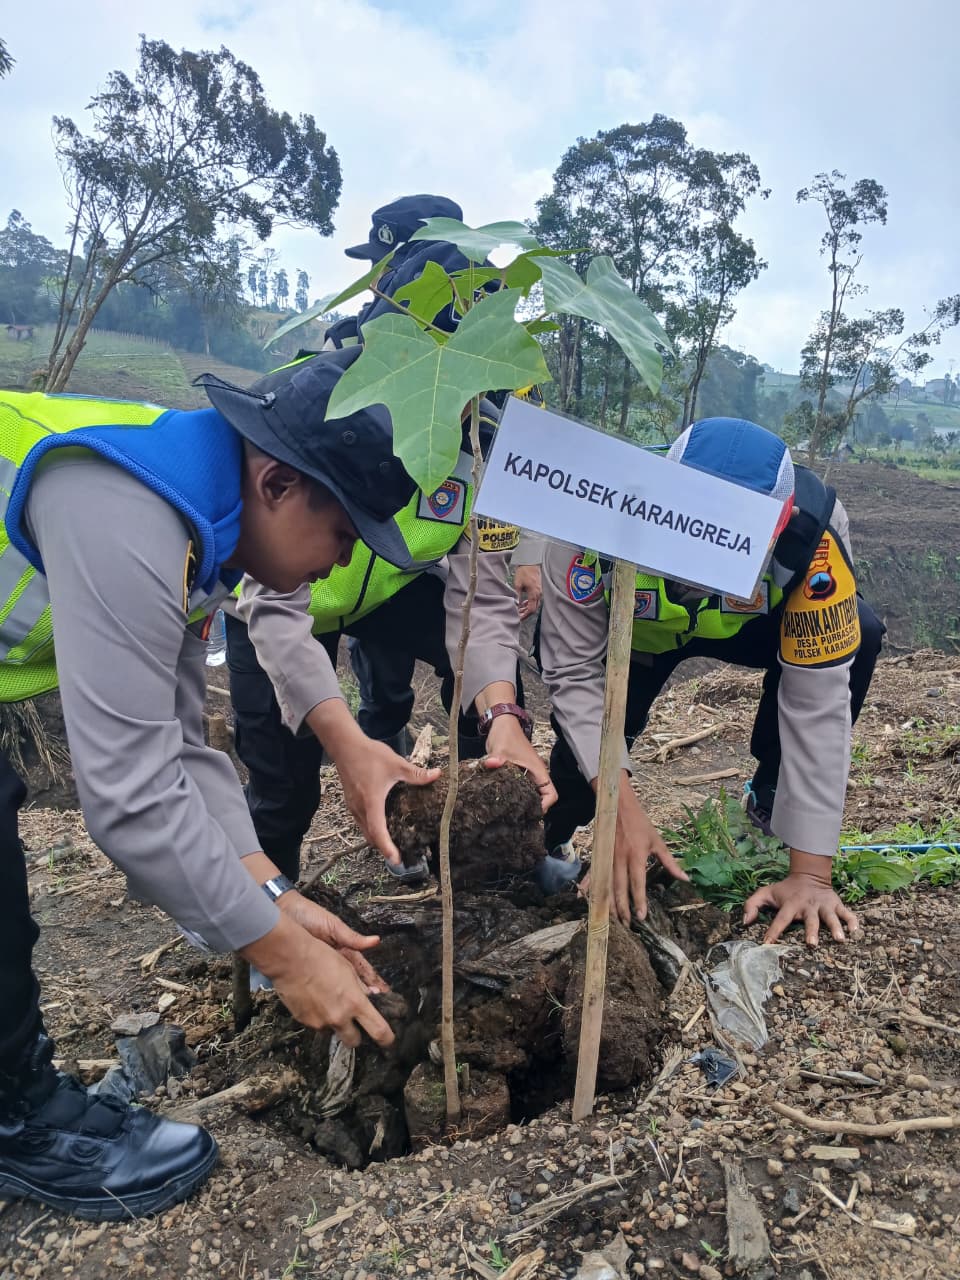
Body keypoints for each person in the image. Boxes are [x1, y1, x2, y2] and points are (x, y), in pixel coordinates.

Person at [0, 350, 435, 1220]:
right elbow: (128, 798)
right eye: (343, 535)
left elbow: (178, 746)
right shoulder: (125, 506)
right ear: (276, 482)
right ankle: (21, 1123)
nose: (341, 563)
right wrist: (281, 955)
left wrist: (267, 888)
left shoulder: (198, 522)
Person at [537, 416, 885, 946]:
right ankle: (548, 842)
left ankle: (771, 798)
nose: (704, 567)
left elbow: (818, 702)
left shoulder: (814, 539)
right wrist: (618, 807)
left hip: (749, 627)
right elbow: (577, 676)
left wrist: (812, 876)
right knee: (583, 757)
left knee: (859, 631)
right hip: (640, 636)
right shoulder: (591, 520)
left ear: (778, 524)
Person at [226, 389, 555, 884]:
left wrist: (501, 715)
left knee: (493, 686)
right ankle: (273, 913)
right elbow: (272, 601)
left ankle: (479, 853)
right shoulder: (326, 411)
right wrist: (346, 746)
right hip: (273, 589)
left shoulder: (485, 447)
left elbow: (481, 600)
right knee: (284, 785)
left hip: (389, 589)